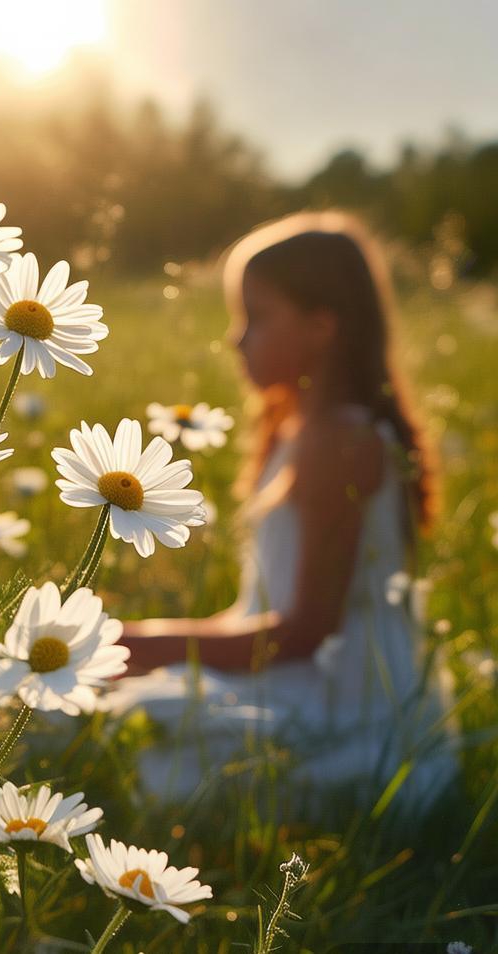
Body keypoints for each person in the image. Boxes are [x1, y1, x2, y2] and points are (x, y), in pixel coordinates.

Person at [105, 211, 460, 819]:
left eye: (255, 317)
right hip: (305, 672)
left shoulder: (341, 444)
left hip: (345, 704)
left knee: (146, 766)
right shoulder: (298, 431)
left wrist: (138, 645)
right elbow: (255, 615)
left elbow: (303, 632)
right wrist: (137, 643)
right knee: (103, 708)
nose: (234, 338)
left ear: (322, 326)